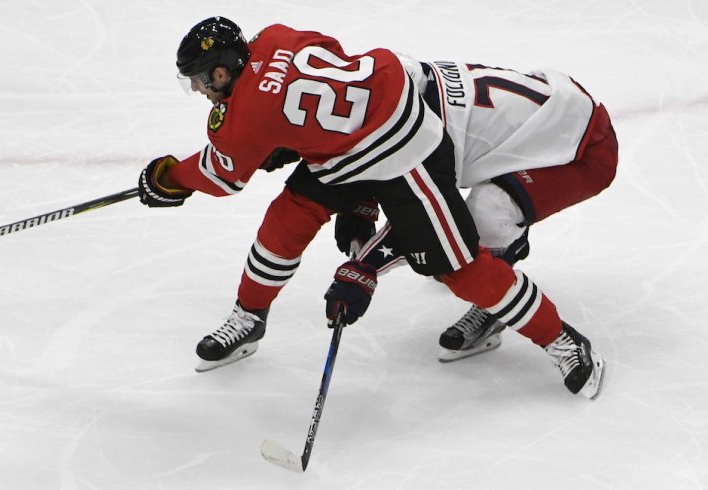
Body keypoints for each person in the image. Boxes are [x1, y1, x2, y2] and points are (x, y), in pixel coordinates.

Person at [137, 16, 612, 399]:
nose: (199, 90)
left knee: (459, 263)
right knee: (291, 213)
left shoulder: (245, 118)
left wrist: (169, 178)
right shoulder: (276, 35)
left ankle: (562, 340)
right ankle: (249, 316)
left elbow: (223, 175)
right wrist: (308, 148)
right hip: (386, 125)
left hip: (429, 148)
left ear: (221, 71)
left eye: (201, 80)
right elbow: (330, 69)